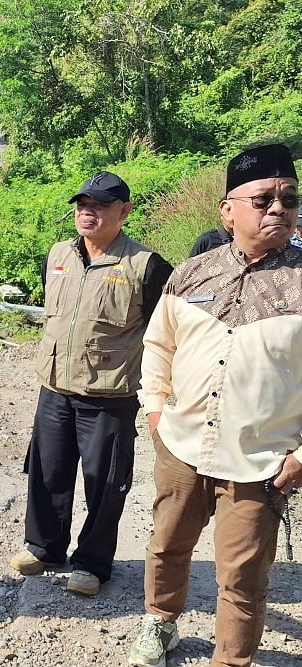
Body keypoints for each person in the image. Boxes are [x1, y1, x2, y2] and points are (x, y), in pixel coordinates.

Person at [129, 143, 300, 667]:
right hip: (180, 444)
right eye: (262, 199)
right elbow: (159, 345)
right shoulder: (192, 273)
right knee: (166, 546)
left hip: (259, 460)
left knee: (242, 575)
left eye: (288, 199)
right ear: (227, 211)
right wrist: (156, 411)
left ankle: (231, 660)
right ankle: (160, 623)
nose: (277, 208)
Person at [9, 171, 174, 597]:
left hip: (110, 396)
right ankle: (44, 547)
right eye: (83, 204)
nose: (88, 212)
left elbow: (167, 333)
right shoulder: (59, 253)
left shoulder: (146, 266)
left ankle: (93, 563)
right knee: (46, 471)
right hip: (55, 387)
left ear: (124, 211)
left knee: (104, 481)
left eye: (99, 205)